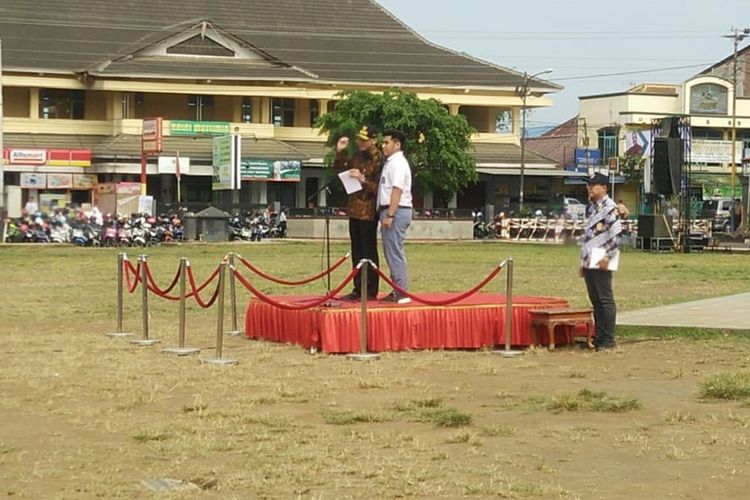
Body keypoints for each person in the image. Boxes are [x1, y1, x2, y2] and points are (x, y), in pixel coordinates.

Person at [332, 124, 383, 300]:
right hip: (354, 208)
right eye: (359, 139)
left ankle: (370, 290)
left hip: (368, 211)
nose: (361, 143)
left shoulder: (380, 159)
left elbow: (380, 188)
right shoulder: (357, 156)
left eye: (365, 140)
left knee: (369, 251)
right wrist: (340, 152)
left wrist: (362, 180)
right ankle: (358, 288)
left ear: (374, 140)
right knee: (356, 250)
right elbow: (340, 171)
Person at [580, 172, 622, 351]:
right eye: (589, 185)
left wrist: (607, 256)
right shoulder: (591, 208)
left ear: (604, 188)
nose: (589, 188)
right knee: (595, 299)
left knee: (605, 298)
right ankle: (599, 336)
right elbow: (589, 234)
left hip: (603, 254)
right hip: (590, 254)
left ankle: (609, 339)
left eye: (593, 185)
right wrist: (583, 261)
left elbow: (616, 233)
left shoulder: (609, 207)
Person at [378, 129, 413, 304]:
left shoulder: (398, 163)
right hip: (391, 209)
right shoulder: (390, 163)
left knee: (394, 252)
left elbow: (397, 189)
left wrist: (390, 214)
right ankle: (396, 288)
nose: (383, 146)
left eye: (386, 142)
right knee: (390, 251)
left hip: (396, 210)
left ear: (397, 144)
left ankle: (401, 291)